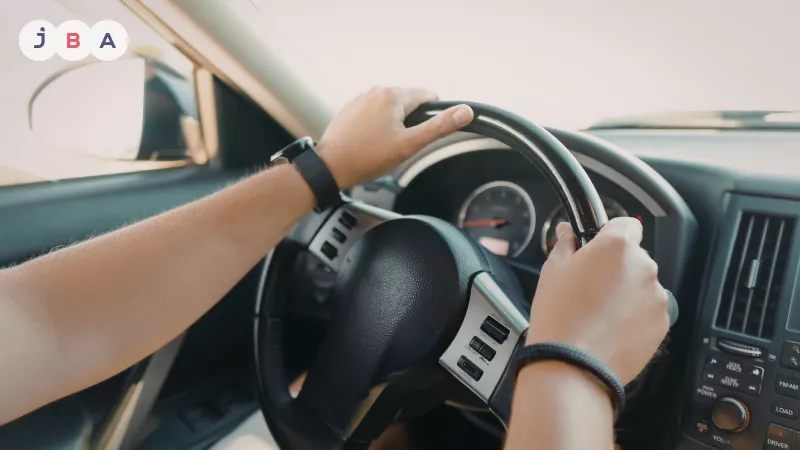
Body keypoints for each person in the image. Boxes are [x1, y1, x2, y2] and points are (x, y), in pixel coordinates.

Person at [0, 87, 669, 449]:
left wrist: (322, 170)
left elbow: (47, 323)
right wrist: (574, 361)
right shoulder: (571, 363)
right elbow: (46, 325)